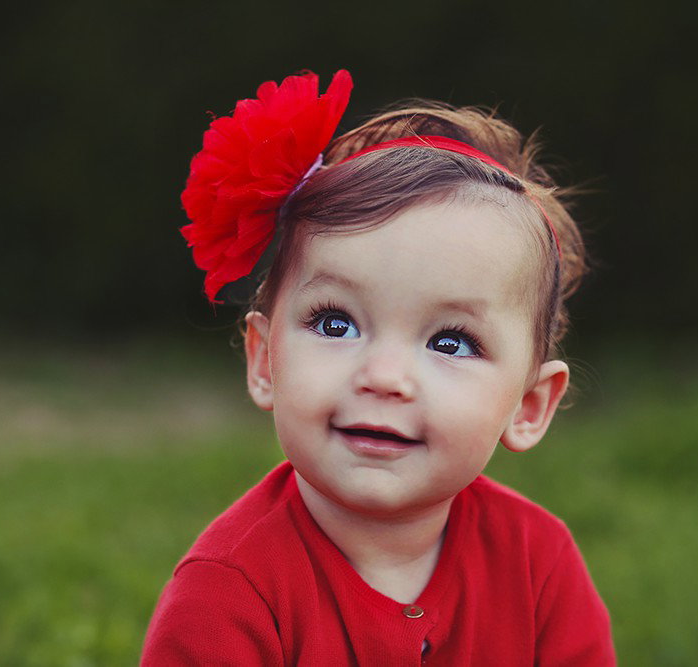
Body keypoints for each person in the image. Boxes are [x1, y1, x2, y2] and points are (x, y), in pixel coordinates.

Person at [141, 70, 615, 666]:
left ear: (528, 406)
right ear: (265, 360)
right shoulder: (229, 593)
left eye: (450, 341)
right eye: (335, 324)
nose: (384, 376)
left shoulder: (537, 562)